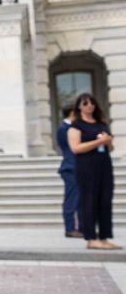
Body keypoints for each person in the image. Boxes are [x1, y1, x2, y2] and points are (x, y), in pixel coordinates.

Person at [68, 93, 116, 250]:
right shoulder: (76, 126)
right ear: (79, 107)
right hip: (86, 167)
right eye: (85, 103)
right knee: (89, 201)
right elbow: (76, 148)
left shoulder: (101, 124)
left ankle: (104, 236)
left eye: (92, 103)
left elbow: (110, 147)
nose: (90, 106)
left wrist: (108, 142)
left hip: (104, 165)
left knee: (105, 201)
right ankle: (91, 237)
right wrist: (99, 141)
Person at [57, 100, 82, 238]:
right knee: (71, 199)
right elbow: (68, 148)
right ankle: (70, 228)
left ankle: (83, 227)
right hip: (70, 168)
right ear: (72, 113)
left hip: (79, 167)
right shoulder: (63, 129)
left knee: (81, 199)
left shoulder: (74, 128)